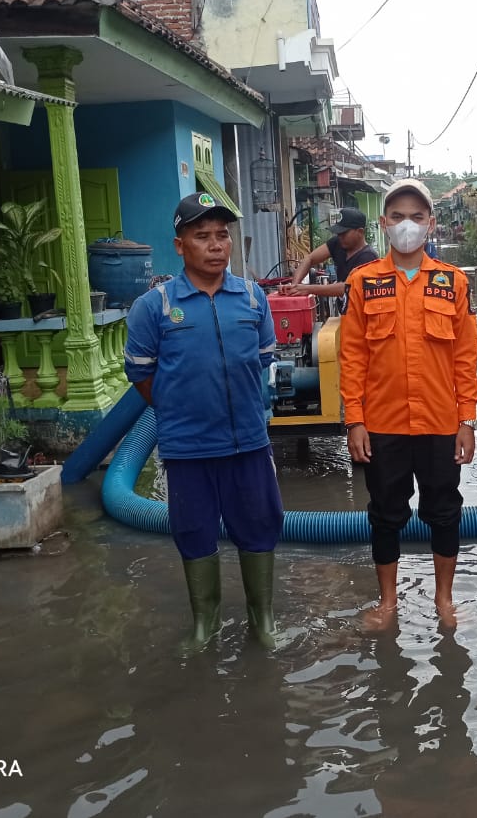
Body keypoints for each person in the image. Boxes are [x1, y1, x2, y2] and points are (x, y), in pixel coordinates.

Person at [124, 191, 283, 649]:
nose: (216, 245)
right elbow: (142, 376)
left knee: (259, 524)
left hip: (249, 443)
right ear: (180, 246)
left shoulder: (252, 298)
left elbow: (262, 362)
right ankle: (204, 625)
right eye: (202, 236)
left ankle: (264, 621)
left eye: (222, 235)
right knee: (193, 531)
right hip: (188, 447)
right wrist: (180, 410)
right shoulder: (154, 307)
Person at [341, 178, 477, 630]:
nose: (407, 225)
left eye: (417, 217)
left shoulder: (452, 281)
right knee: (384, 514)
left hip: (441, 422)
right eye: (398, 216)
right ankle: (388, 603)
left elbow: (465, 356)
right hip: (383, 424)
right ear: (383, 224)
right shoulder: (363, 282)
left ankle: (445, 600)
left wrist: (468, 420)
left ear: (430, 223)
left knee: (444, 511)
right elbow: (352, 357)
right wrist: (355, 421)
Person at [283, 206, 378, 298]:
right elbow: (310, 259)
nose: (340, 236)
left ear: (360, 232)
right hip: (346, 312)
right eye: (338, 233)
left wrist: (308, 289)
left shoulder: (368, 257)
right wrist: (294, 287)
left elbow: (347, 287)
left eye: (344, 233)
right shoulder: (338, 242)